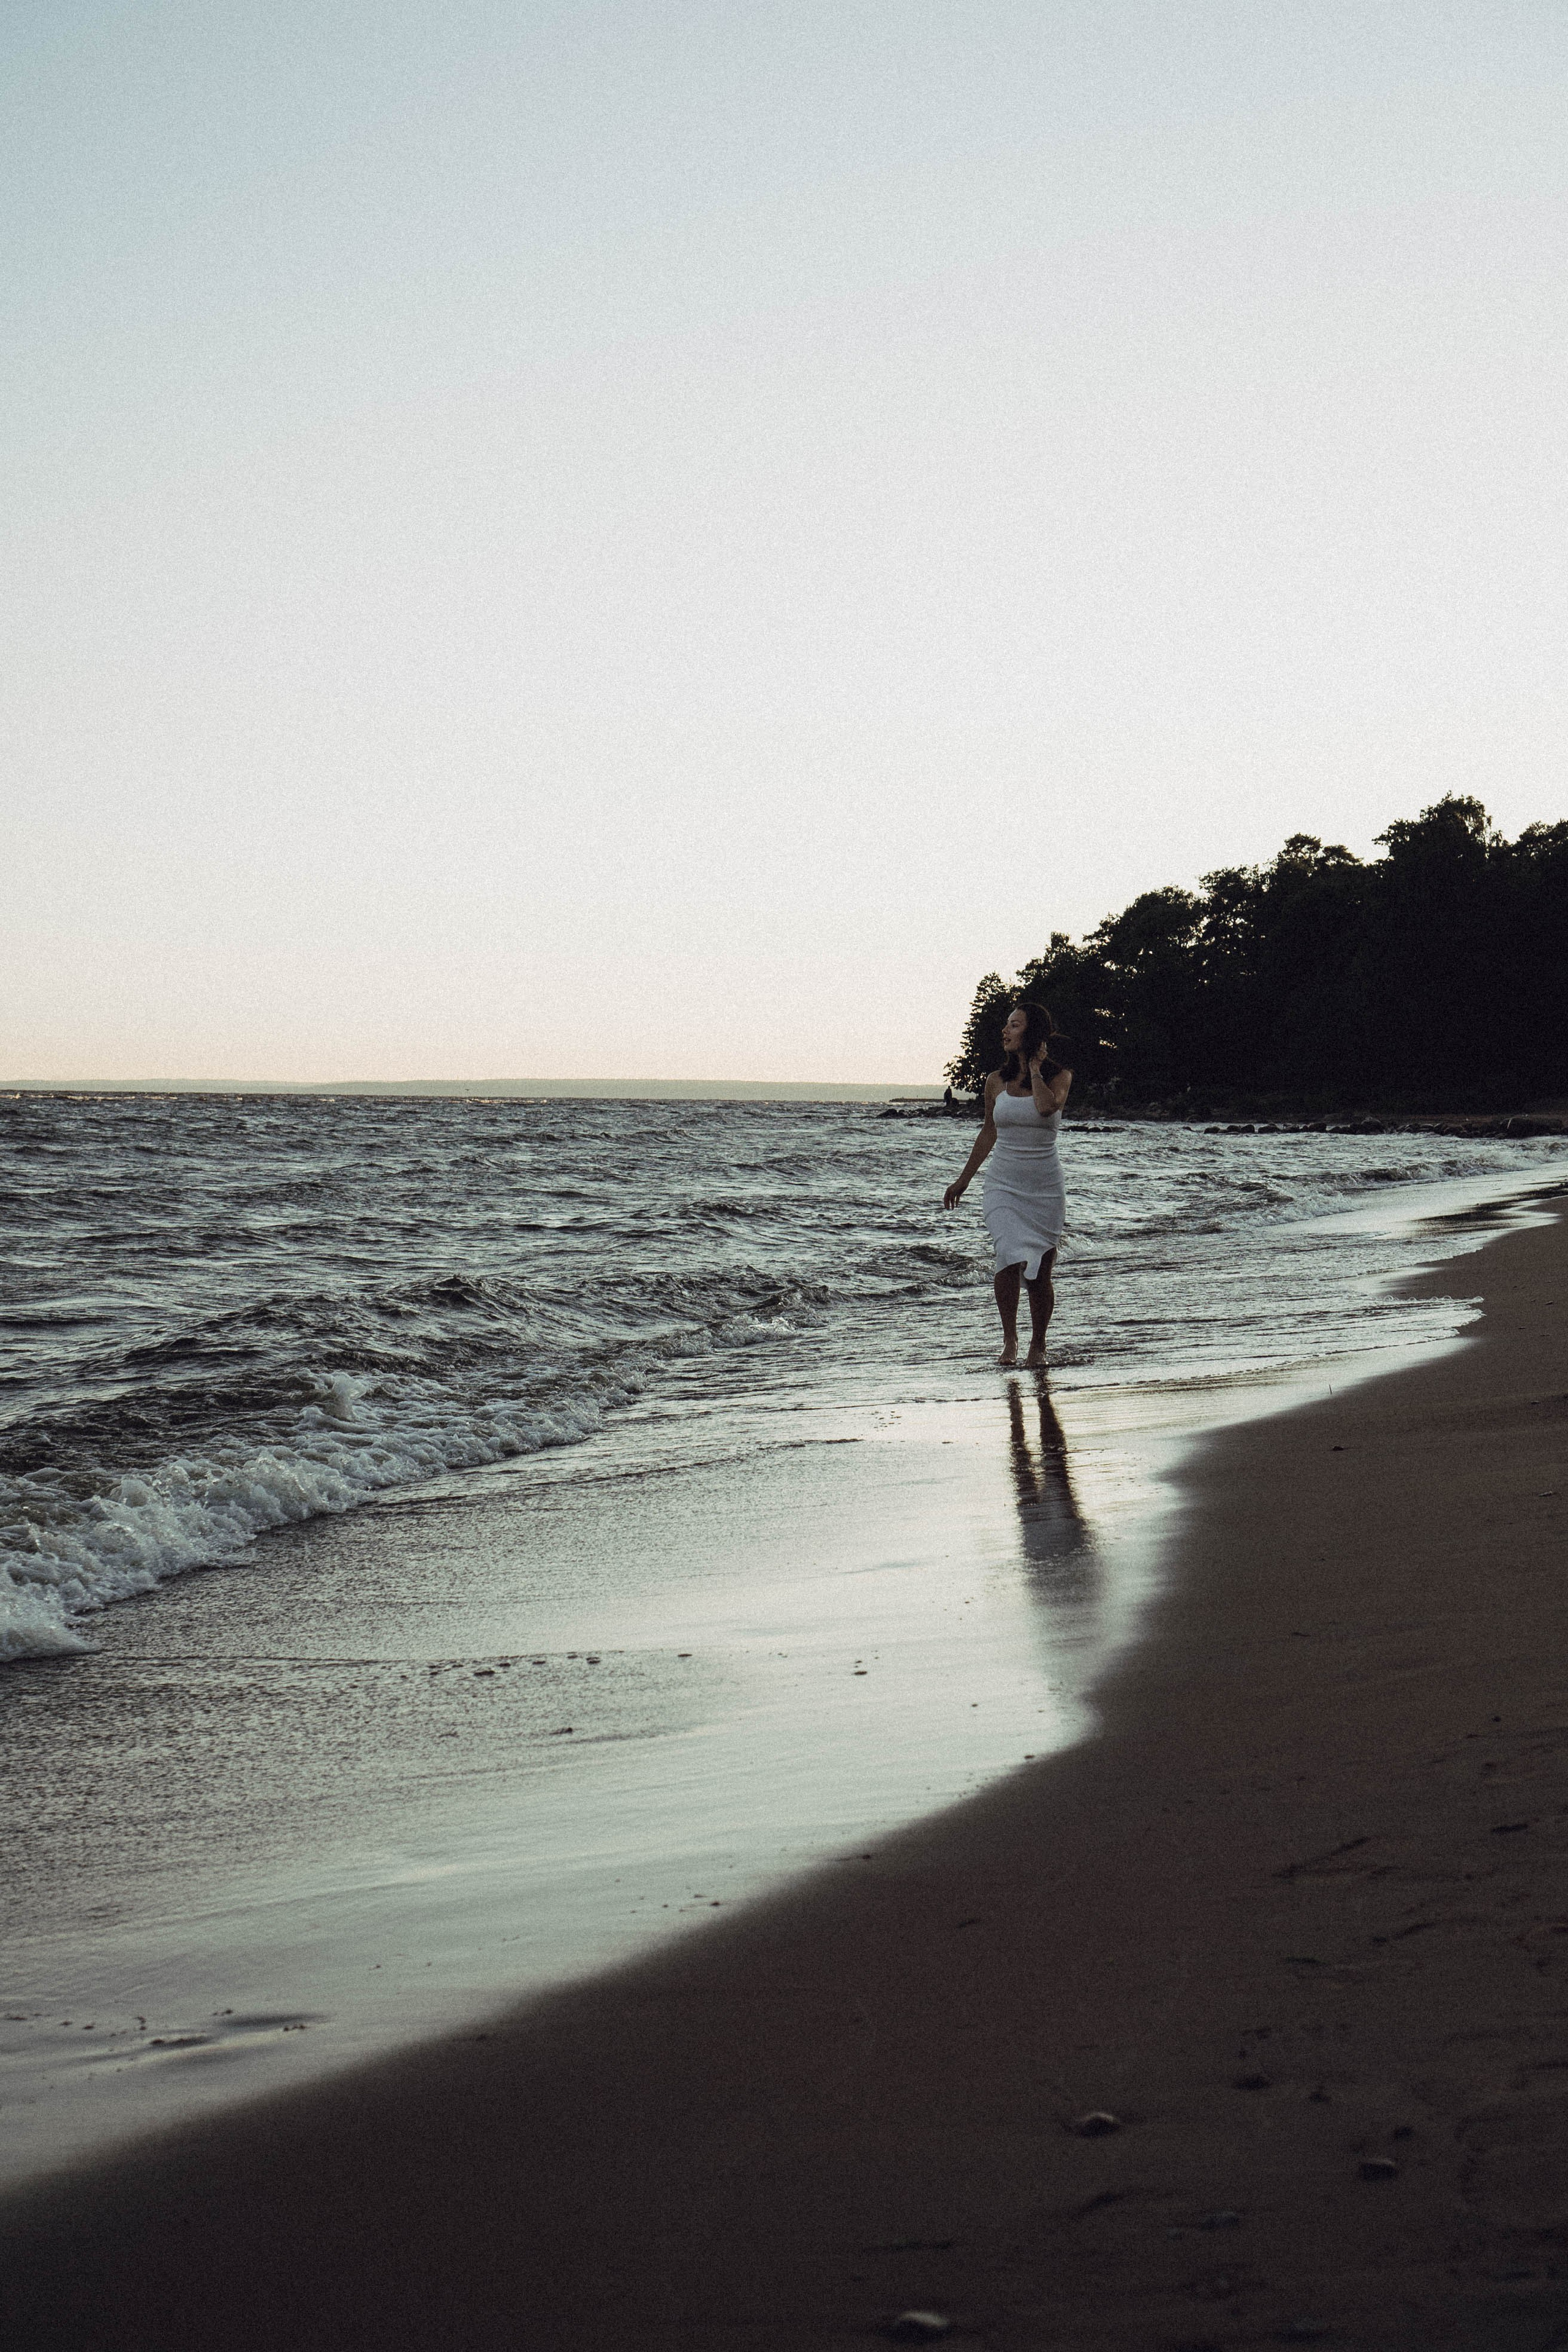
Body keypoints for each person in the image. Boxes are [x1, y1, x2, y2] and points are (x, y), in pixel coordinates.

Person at [942, 1002, 1073, 1366]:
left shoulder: (1060, 1077)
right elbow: (988, 1132)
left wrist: (1034, 1070)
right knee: (1005, 1258)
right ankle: (1010, 1341)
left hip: (1045, 1187)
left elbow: (1047, 1108)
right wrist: (963, 1180)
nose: (1005, 1031)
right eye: (1006, 1025)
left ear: (1031, 1033)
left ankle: (1039, 1345)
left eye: (1014, 1025)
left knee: (1040, 1272)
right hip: (1002, 1184)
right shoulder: (994, 1081)